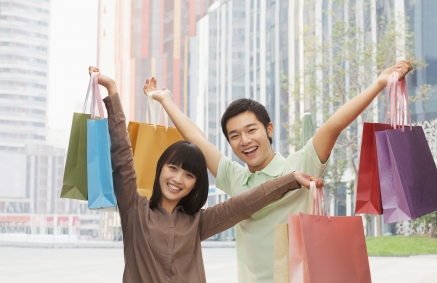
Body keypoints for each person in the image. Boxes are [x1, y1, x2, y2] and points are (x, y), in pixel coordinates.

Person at [144, 60, 413, 282]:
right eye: (234, 136)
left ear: (268, 130)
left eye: (251, 130)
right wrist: (165, 100)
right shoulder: (235, 177)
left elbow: (332, 127)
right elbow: (198, 140)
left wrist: (378, 85)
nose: (245, 141)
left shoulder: (300, 165)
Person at [88, 66, 323, 283]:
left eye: (189, 175)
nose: (178, 179)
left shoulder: (197, 222)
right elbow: (122, 159)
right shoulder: (134, 211)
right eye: (173, 168)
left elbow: (246, 202)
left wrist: (291, 180)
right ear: (160, 170)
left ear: (195, 185)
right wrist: (113, 93)